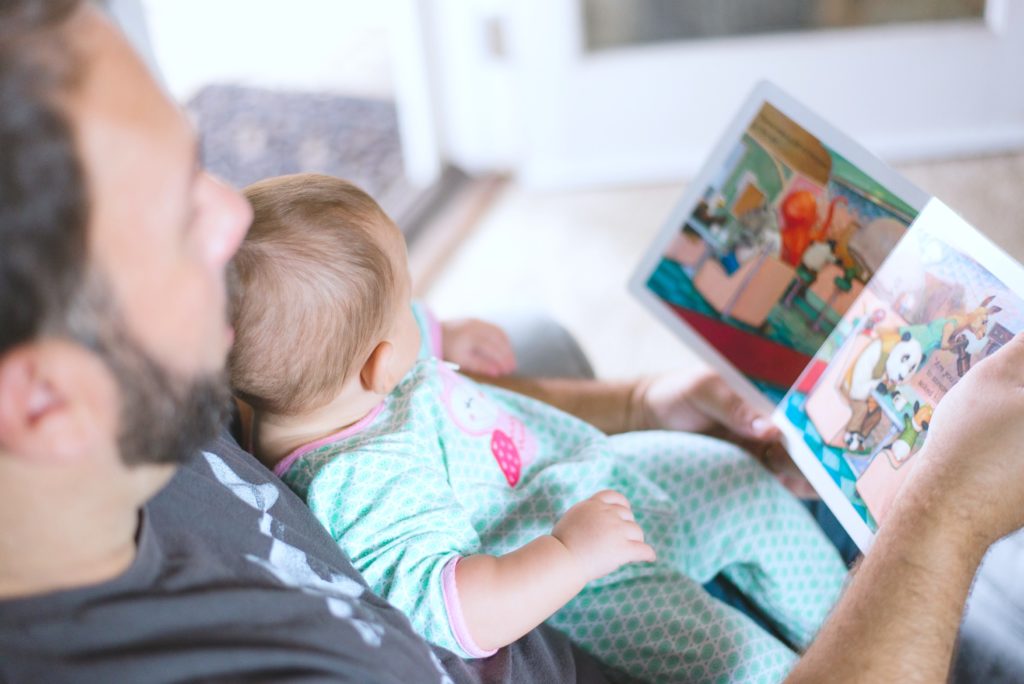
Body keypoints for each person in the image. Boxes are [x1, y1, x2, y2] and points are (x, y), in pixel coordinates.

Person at [0, 1, 1021, 682]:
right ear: (42, 402)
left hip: (601, 497)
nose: (233, 216)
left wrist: (632, 403)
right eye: (177, 216)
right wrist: (944, 519)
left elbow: (404, 404)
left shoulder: (161, 375)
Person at [228, 172, 848, 682]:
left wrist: (443, 332)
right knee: (741, 665)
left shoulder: (322, 383)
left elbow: (371, 329)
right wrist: (569, 554)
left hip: (586, 471)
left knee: (737, 479)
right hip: (587, 580)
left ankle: (848, 623)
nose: (418, 311)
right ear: (381, 363)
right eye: (407, 305)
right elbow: (458, 610)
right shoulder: (361, 482)